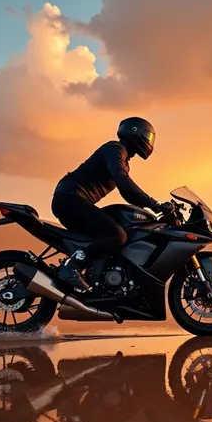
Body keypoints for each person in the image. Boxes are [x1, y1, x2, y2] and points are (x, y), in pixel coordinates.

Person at [51, 117, 174, 292]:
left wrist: (151, 206)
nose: (148, 141)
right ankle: (72, 266)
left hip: (72, 199)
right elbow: (124, 183)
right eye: (147, 136)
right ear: (135, 131)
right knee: (117, 235)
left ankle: (93, 276)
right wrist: (155, 204)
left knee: (112, 231)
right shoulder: (115, 149)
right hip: (71, 199)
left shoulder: (121, 158)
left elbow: (127, 193)